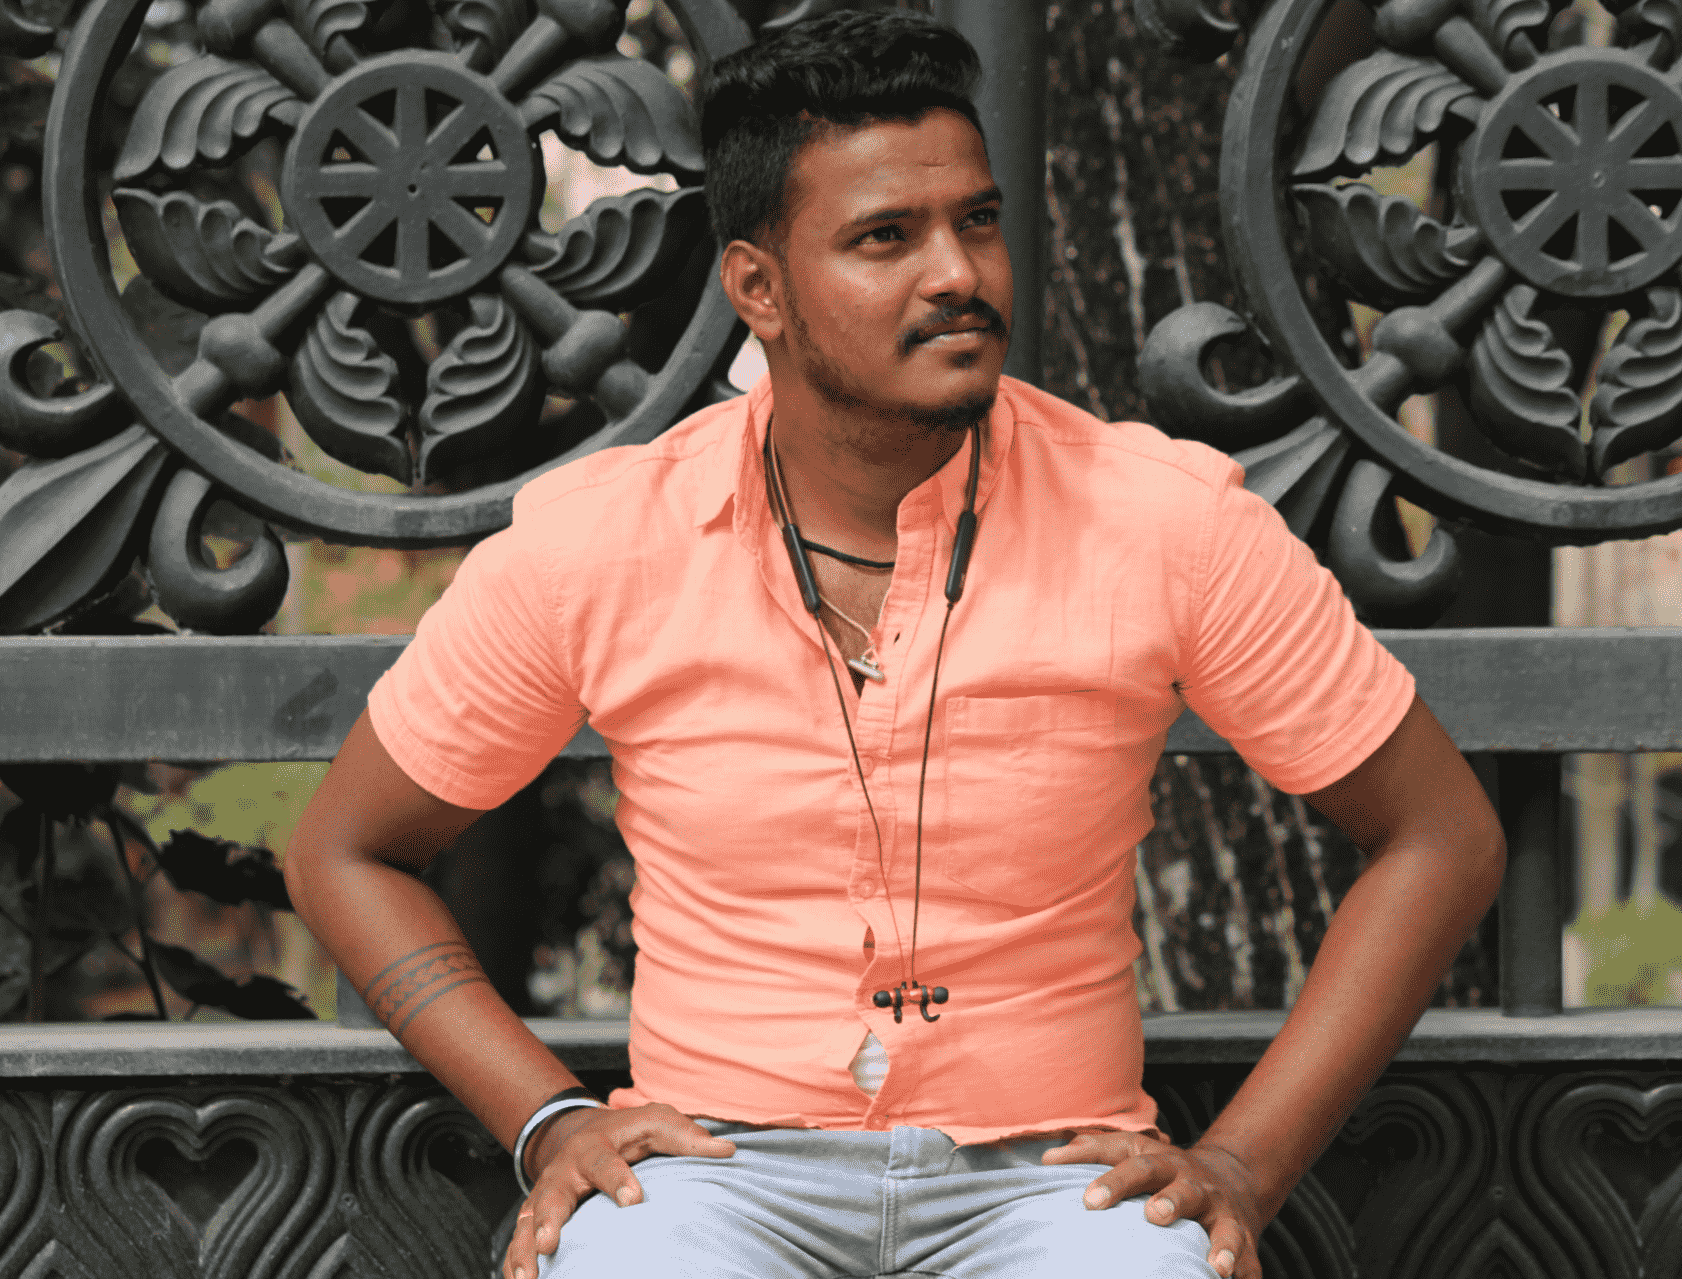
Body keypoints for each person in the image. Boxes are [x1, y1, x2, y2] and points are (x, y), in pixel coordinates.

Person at [284, 11, 1506, 1279]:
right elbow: (345, 850)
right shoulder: (602, 540)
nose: (957, 274)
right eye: (885, 237)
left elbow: (1440, 834)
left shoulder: (1164, 521)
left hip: (1058, 1183)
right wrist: (546, 1118)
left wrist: (1245, 1161)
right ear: (757, 288)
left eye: (976, 221)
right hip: (711, 1175)